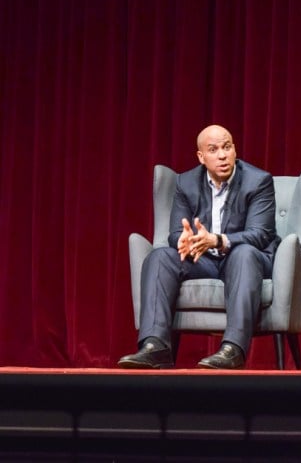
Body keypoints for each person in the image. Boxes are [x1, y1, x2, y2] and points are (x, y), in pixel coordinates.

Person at [118, 124, 279, 370]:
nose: (222, 155)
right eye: (213, 150)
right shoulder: (186, 182)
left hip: (244, 258)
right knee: (160, 256)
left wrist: (217, 240)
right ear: (201, 157)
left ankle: (232, 349)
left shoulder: (258, 181)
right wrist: (183, 241)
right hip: (204, 260)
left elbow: (261, 234)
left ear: (234, 149)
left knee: (244, 254)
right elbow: (175, 233)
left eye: (227, 147)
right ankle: (156, 346)